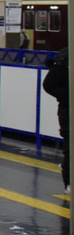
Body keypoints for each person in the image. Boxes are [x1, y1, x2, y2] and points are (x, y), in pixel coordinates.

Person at [43, 47, 70, 194]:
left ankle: (66, 167)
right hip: (69, 109)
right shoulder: (66, 59)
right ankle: (69, 181)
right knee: (71, 146)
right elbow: (48, 84)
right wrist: (68, 97)